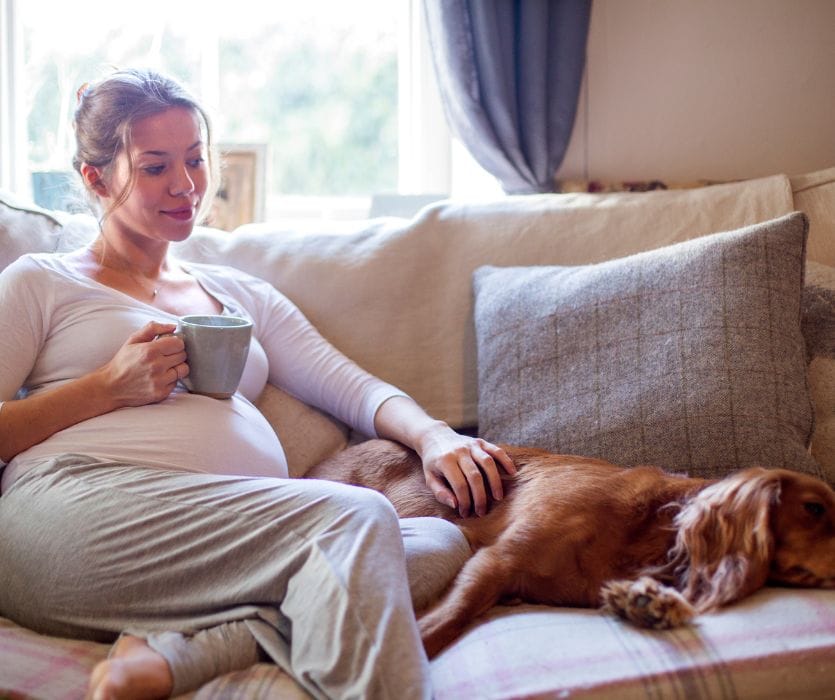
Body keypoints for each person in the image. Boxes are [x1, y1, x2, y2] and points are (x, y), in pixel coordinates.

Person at [0, 68, 515, 700]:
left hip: (221, 539)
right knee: (355, 522)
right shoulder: (42, 281)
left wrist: (436, 437)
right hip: (72, 513)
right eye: (156, 167)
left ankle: (175, 652)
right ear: (96, 178)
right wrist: (106, 387)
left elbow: (348, 385)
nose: (186, 185)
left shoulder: (239, 294)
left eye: (195, 159)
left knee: (436, 540)